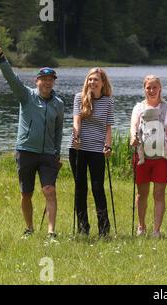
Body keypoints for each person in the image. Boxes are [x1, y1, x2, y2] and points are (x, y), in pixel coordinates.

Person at [0, 41, 64, 242]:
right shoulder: (26, 96)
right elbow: (11, 78)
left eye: (51, 80)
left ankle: (51, 233)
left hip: (48, 154)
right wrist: (0, 58)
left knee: (49, 190)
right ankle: (30, 228)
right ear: (37, 81)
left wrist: (57, 153)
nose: (48, 83)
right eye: (44, 79)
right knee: (26, 194)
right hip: (25, 151)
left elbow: (58, 131)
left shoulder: (59, 104)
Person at [69, 68, 114, 237]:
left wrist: (108, 146)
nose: (92, 83)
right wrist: (77, 137)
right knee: (80, 188)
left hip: (97, 150)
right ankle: (83, 227)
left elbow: (108, 127)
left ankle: (104, 228)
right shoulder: (79, 98)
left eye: (96, 80)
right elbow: (76, 120)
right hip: (78, 148)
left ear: (103, 83)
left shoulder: (108, 101)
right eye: (90, 80)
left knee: (97, 188)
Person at [130, 75, 167, 238]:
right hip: (142, 156)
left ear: (160, 89)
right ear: (144, 89)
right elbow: (134, 125)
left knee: (159, 194)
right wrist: (133, 137)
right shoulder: (138, 107)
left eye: (154, 87)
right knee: (141, 193)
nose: (151, 90)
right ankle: (141, 227)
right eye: (148, 87)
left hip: (162, 158)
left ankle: (156, 230)